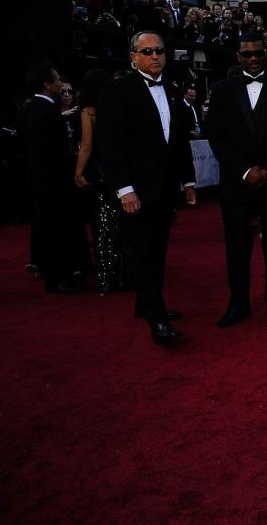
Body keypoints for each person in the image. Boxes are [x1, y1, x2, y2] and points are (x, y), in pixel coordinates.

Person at [97, 31, 198, 346]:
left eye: (159, 51)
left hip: (164, 188)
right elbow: (110, 146)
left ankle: (147, 304)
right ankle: (157, 318)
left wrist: (189, 181)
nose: (155, 56)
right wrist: (124, 190)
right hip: (135, 191)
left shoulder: (171, 89)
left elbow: (179, 142)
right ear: (133, 57)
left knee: (157, 250)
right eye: (148, 51)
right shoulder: (117, 91)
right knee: (142, 253)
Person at [206, 32, 267, 327]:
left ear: (266, 54)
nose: (253, 59)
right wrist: (245, 171)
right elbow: (216, 137)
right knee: (237, 246)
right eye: (247, 54)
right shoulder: (222, 90)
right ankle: (238, 304)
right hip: (237, 185)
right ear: (238, 57)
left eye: (258, 53)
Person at [16, 62, 87, 293]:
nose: (60, 84)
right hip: (53, 181)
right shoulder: (47, 111)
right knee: (54, 229)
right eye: (56, 80)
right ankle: (57, 279)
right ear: (47, 84)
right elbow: (54, 152)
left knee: (47, 227)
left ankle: (54, 274)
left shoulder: (29, 108)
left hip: (37, 179)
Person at [73, 68, 130, 293]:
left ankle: (108, 277)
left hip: (100, 171)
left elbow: (86, 145)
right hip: (120, 170)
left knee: (103, 225)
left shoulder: (88, 112)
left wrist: (78, 172)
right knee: (121, 223)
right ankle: (125, 275)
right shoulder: (117, 108)